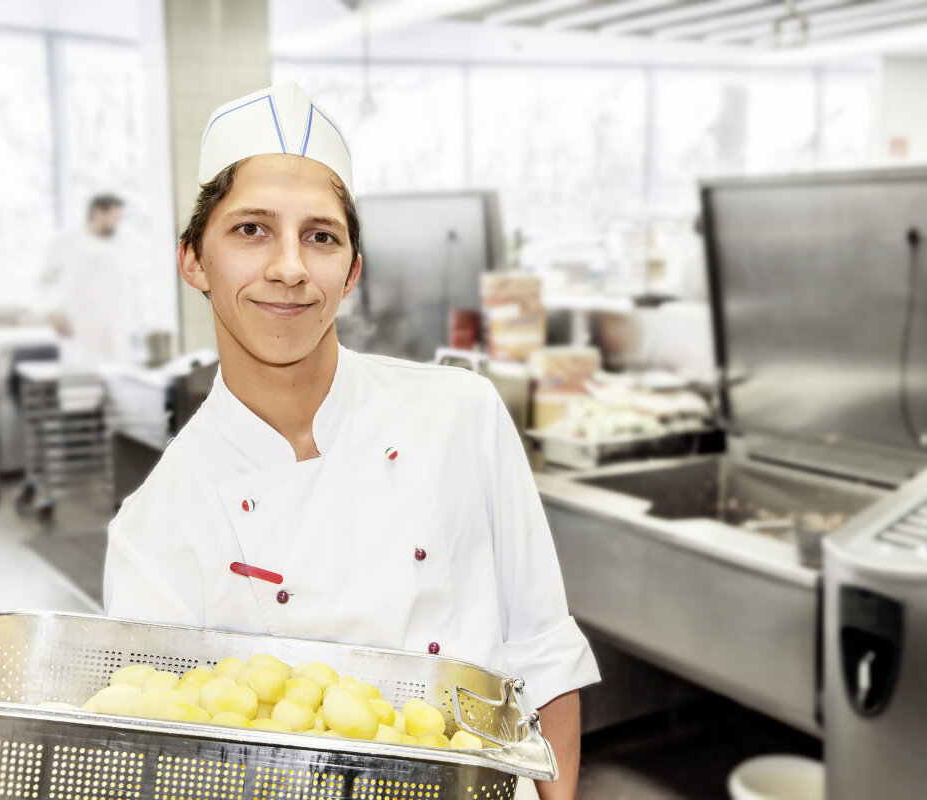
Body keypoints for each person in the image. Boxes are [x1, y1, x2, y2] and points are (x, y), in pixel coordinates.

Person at [102, 82, 599, 799]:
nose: (290, 268)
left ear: (353, 271)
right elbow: (176, 764)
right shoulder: (155, 530)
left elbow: (543, 651)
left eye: (320, 236)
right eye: (251, 230)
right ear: (192, 260)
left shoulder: (460, 412)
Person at [41, 194, 137, 366]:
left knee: (119, 380)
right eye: (114, 217)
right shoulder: (66, 242)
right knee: (83, 382)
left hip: (116, 328)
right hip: (79, 329)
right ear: (98, 212)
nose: (118, 223)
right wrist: (52, 312)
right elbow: (45, 283)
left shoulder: (123, 244)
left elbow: (131, 286)